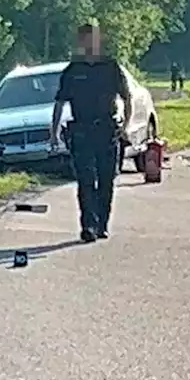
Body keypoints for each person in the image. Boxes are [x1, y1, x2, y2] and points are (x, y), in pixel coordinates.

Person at [50, 21, 131, 243]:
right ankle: (88, 226)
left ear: (98, 41)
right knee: (86, 180)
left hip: (106, 129)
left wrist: (125, 126)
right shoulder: (73, 71)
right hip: (81, 130)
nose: (89, 43)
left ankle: (102, 223)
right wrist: (54, 132)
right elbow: (59, 102)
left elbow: (126, 97)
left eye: (92, 38)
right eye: (85, 38)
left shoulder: (110, 67)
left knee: (106, 179)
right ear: (80, 42)